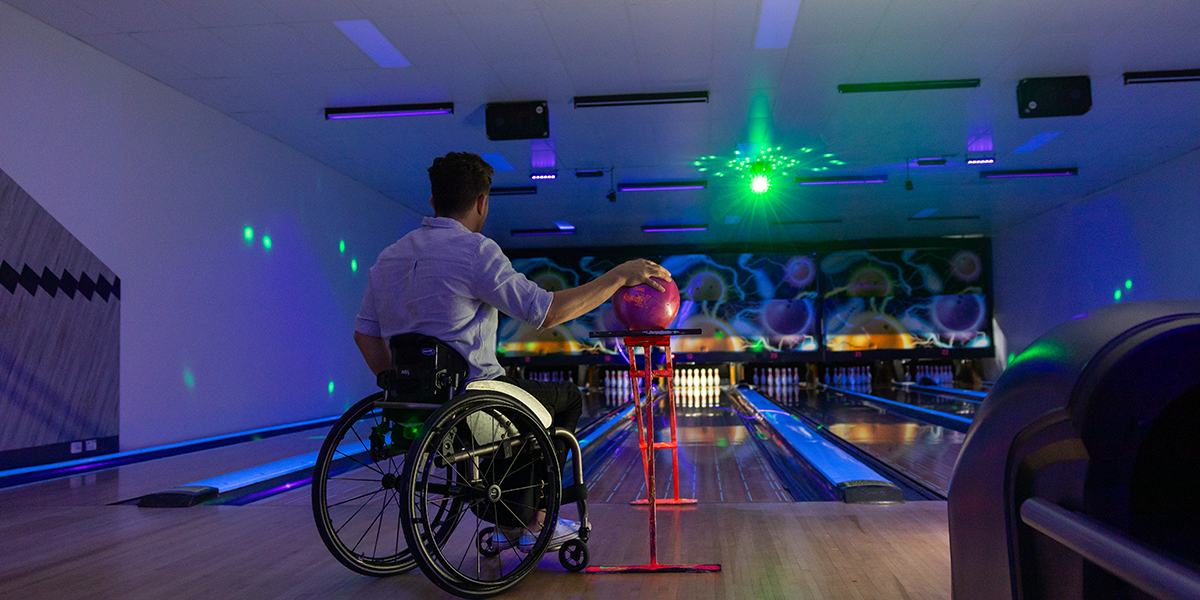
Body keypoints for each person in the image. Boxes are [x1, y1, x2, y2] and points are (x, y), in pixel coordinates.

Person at [352, 151, 671, 551]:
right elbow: (548, 313)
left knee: (520, 402)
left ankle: (512, 506)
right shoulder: (475, 251)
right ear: (483, 202)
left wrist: (397, 388)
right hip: (475, 399)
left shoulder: (388, 258)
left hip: (412, 406)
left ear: (432, 201)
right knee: (567, 399)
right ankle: (530, 517)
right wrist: (618, 276)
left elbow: (365, 335)